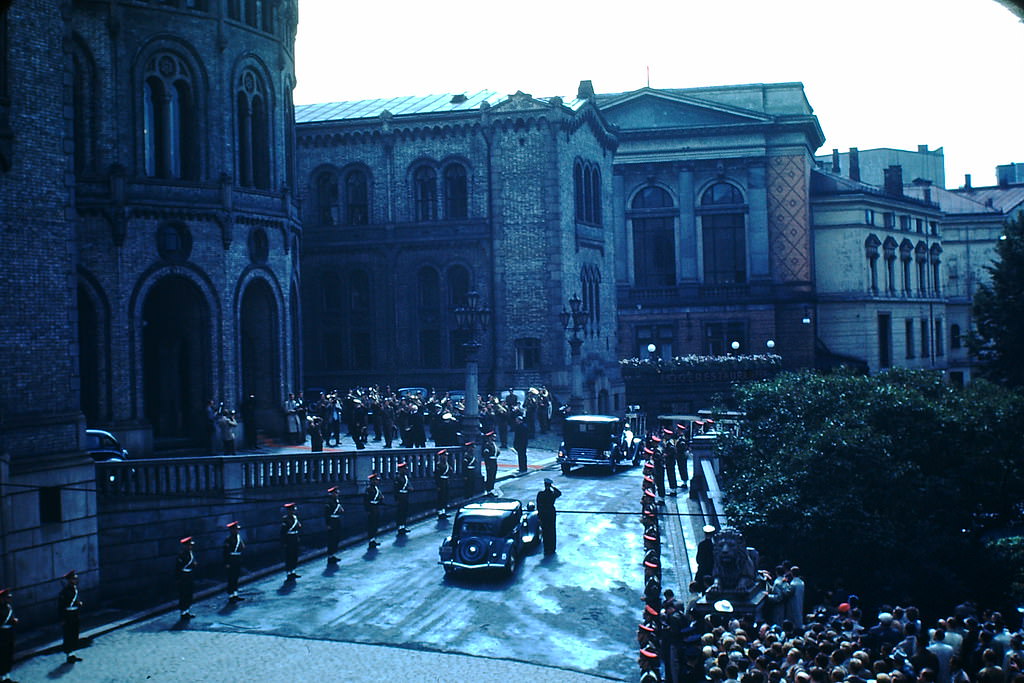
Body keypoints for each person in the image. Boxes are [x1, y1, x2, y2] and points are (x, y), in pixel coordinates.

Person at [58, 570, 83, 663]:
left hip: (75, 613)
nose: (76, 580)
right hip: (68, 615)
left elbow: (75, 601)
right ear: (69, 580)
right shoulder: (64, 591)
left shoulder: (75, 589)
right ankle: (69, 654)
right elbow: (61, 606)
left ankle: (73, 654)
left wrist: (78, 603)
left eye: (76, 578)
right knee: (68, 634)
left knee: (75, 633)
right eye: (74, 578)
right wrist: (62, 619)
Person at [536, 477, 562, 555]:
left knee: (545, 531)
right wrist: (553, 487)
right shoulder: (552, 494)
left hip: (543, 513)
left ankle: (546, 548)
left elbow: (538, 505)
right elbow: (559, 493)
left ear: (544, 485)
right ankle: (552, 548)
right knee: (552, 531)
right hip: (551, 512)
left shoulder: (541, 494)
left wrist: (539, 516)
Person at [175, 536, 197, 619]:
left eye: (191, 545)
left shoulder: (190, 553)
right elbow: (178, 567)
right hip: (183, 576)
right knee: (183, 594)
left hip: (189, 575)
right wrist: (178, 579)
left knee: (189, 593)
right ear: (185, 546)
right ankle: (183, 612)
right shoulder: (182, 555)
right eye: (189, 545)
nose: (191, 547)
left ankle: (187, 610)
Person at [223, 521, 245, 602]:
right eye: (236, 529)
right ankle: (231, 595)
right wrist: (227, 563)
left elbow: (242, 547)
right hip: (231, 560)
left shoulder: (238, 538)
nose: (237, 531)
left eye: (237, 529)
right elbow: (225, 552)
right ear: (232, 530)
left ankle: (235, 594)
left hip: (237, 560)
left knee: (236, 577)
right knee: (231, 578)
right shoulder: (228, 539)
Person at [0, 588, 18, 683]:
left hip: (9, 634)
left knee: (9, 654)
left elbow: (11, 618)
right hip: (2, 635)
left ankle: (7, 676)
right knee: (2, 655)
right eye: (7, 597)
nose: (9, 599)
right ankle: (2, 677)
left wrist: (14, 620)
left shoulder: (8, 607)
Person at [280, 502, 301, 580]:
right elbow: (283, 532)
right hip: (289, 539)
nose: (293, 511)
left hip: (295, 538)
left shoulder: (295, 518)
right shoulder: (285, 519)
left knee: (295, 555)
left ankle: (293, 571)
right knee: (289, 556)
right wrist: (284, 542)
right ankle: (289, 573)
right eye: (292, 510)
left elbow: (298, 526)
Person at [363, 472, 384, 549]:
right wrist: (368, 510)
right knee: (371, 525)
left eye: (377, 480)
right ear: (372, 481)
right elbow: (366, 501)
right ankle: (371, 540)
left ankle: (373, 539)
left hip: (376, 508)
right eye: (375, 480)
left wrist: (380, 500)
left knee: (375, 524)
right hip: (371, 508)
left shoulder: (376, 488)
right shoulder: (368, 489)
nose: (377, 481)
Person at [324, 486, 344, 564]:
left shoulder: (336, 501)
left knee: (336, 538)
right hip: (332, 521)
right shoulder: (329, 502)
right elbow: (327, 514)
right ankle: (330, 556)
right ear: (332, 494)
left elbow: (340, 510)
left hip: (337, 520)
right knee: (331, 539)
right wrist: (328, 524)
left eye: (337, 493)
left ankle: (333, 554)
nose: (337, 494)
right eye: (335, 493)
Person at [394, 462, 412, 535]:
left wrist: (410, 488)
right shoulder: (398, 478)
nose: (405, 470)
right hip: (400, 496)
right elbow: (396, 489)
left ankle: (403, 526)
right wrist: (397, 498)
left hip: (405, 496)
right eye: (404, 469)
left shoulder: (405, 477)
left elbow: (408, 485)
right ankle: (400, 527)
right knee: (400, 512)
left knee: (405, 511)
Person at [435, 449, 452, 519]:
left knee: (445, 496)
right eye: (444, 456)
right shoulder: (439, 465)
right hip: (441, 482)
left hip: (446, 482)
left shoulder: (447, 464)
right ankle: (440, 512)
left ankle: (444, 511)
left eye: (446, 456)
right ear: (441, 456)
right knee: (441, 497)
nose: (446, 457)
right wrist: (438, 485)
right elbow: (437, 476)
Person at [482, 430, 499, 495]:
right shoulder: (487, 445)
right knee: (490, 475)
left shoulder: (493, 444)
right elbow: (485, 455)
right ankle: (489, 489)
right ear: (490, 437)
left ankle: (491, 488)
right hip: (490, 462)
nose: (494, 438)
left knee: (493, 475)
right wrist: (488, 463)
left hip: (494, 461)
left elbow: (497, 452)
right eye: (493, 437)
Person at [513, 408, 529, 473]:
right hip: (524, 443)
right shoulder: (524, 426)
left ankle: (522, 468)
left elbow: (517, 436)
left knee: (521, 456)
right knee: (523, 456)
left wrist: (515, 443)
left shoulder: (519, 427)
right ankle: (524, 467)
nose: (516, 421)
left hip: (520, 443)